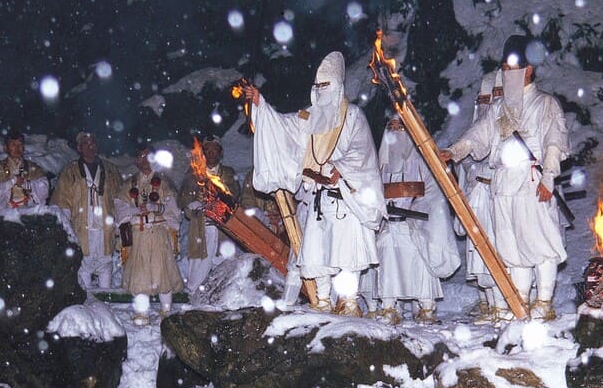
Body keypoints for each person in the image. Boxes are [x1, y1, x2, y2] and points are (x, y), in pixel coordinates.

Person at [242, 51, 385, 315]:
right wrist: (260, 104)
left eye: (326, 86)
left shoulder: (352, 116)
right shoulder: (308, 118)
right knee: (317, 253)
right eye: (317, 86)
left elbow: (361, 150)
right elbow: (283, 129)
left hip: (345, 196)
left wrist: (340, 170)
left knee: (347, 255)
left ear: (338, 86)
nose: (320, 91)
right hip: (318, 199)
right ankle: (321, 300)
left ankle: (350, 301)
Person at [439, 36, 569, 323]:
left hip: (531, 183)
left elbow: (554, 142)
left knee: (540, 243)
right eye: (506, 68)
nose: (509, 73)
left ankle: (544, 301)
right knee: (512, 248)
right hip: (503, 185)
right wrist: (455, 151)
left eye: (515, 67)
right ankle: (519, 300)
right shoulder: (498, 108)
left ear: (529, 69)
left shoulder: (545, 103)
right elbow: (479, 135)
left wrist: (549, 177)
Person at [371, 115, 461, 325]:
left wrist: (414, 209)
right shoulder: (381, 165)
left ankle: (426, 308)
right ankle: (389, 308)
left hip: (415, 227)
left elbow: (434, 195)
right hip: (390, 226)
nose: (395, 131)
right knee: (388, 265)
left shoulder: (423, 162)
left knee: (420, 266)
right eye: (391, 127)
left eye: (400, 127)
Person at [114, 145, 184, 325]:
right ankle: (141, 312)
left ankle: (166, 310)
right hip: (138, 233)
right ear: (136, 160)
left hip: (159, 232)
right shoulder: (129, 184)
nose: (145, 159)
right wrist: (135, 210)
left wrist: (156, 208)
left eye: (148, 155)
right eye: (141, 155)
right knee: (139, 274)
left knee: (163, 272)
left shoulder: (165, 183)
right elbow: (120, 207)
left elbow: (173, 208)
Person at [51, 132, 122, 290]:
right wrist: (66, 229)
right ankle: (87, 301)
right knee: (83, 264)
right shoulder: (70, 172)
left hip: (105, 226)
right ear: (79, 148)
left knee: (105, 262)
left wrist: (120, 223)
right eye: (85, 144)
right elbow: (62, 200)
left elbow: (120, 199)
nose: (90, 147)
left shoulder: (111, 171)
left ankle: (105, 301)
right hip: (82, 227)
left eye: (92, 143)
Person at [459, 69, 501, 324]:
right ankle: (489, 302)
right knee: (481, 253)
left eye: (494, 97)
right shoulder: (478, 129)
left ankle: (503, 302)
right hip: (479, 200)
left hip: (500, 198)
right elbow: (468, 162)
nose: (488, 104)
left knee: (500, 250)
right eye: (483, 100)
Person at [178, 135, 240, 294]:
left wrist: (219, 196)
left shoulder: (227, 173)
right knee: (199, 263)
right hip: (201, 227)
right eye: (208, 149)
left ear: (221, 152)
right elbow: (183, 198)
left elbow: (234, 195)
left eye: (215, 149)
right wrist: (194, 202)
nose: (211, 153)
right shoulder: (193, 173)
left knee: (223, 265)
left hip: (223, 229)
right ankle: (193, 294)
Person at [0, 131, 50, 209]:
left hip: (29, 208)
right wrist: (11, 182)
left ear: (23, 147)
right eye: (13, 144)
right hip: (4, 210)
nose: (17, 148)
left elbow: (44, 188)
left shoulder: (32, 168)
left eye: (20, 144)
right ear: (5, 147)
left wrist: (27, 184)